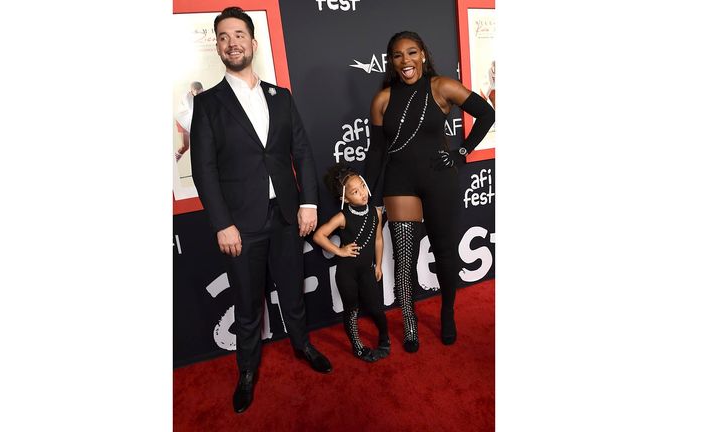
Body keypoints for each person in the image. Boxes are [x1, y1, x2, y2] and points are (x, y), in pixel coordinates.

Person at [189, 6, 332, 414]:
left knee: (293, 292)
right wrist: (222, 224)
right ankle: (247, 370)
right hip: (241, 225)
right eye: (223, 36)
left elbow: (301, 152)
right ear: (218, 47)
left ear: (253, 42)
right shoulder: (209, 105)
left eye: (239, 34)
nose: (232, 42)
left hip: (287, 215)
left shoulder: (280, 97)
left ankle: (303, 345)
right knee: (248, 304)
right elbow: (204, 169)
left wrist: (308, 202)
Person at [363, 31, 495, 353]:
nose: (405, 60)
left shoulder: (442, 86)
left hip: (440, 180)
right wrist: (368, 198)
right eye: (397, 55)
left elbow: (487, 114)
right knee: (404, 258)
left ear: (422, 54)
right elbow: (377, 153)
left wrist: (462, 153)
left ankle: (447, 313)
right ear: (391, 61)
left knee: (445, 252)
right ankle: (410, 322)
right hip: (399, 183)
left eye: (411, 53)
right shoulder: (382, 100)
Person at [313, 164, 389, 362]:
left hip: (367, 270)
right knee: (352, 310)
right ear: (345, 199)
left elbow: (379, 239)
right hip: (346, 273)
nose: (362, 193)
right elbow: (319, 236)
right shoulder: (342, 217)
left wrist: (378, 264)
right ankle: (357, 347)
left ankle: (384, 340)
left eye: (362, 186)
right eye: (355, 192)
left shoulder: (376, 212)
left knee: (376, 307)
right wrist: (340, 250)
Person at [175, 81, 204, 161]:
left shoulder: (204, 93)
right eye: (196, 94)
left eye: (201, 93)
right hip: (182, 121)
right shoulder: (187, 97)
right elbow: (193, 112)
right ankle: (173, 161)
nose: (199, 96)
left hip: (191, 120)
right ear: (192, 92)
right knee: (185, 146)